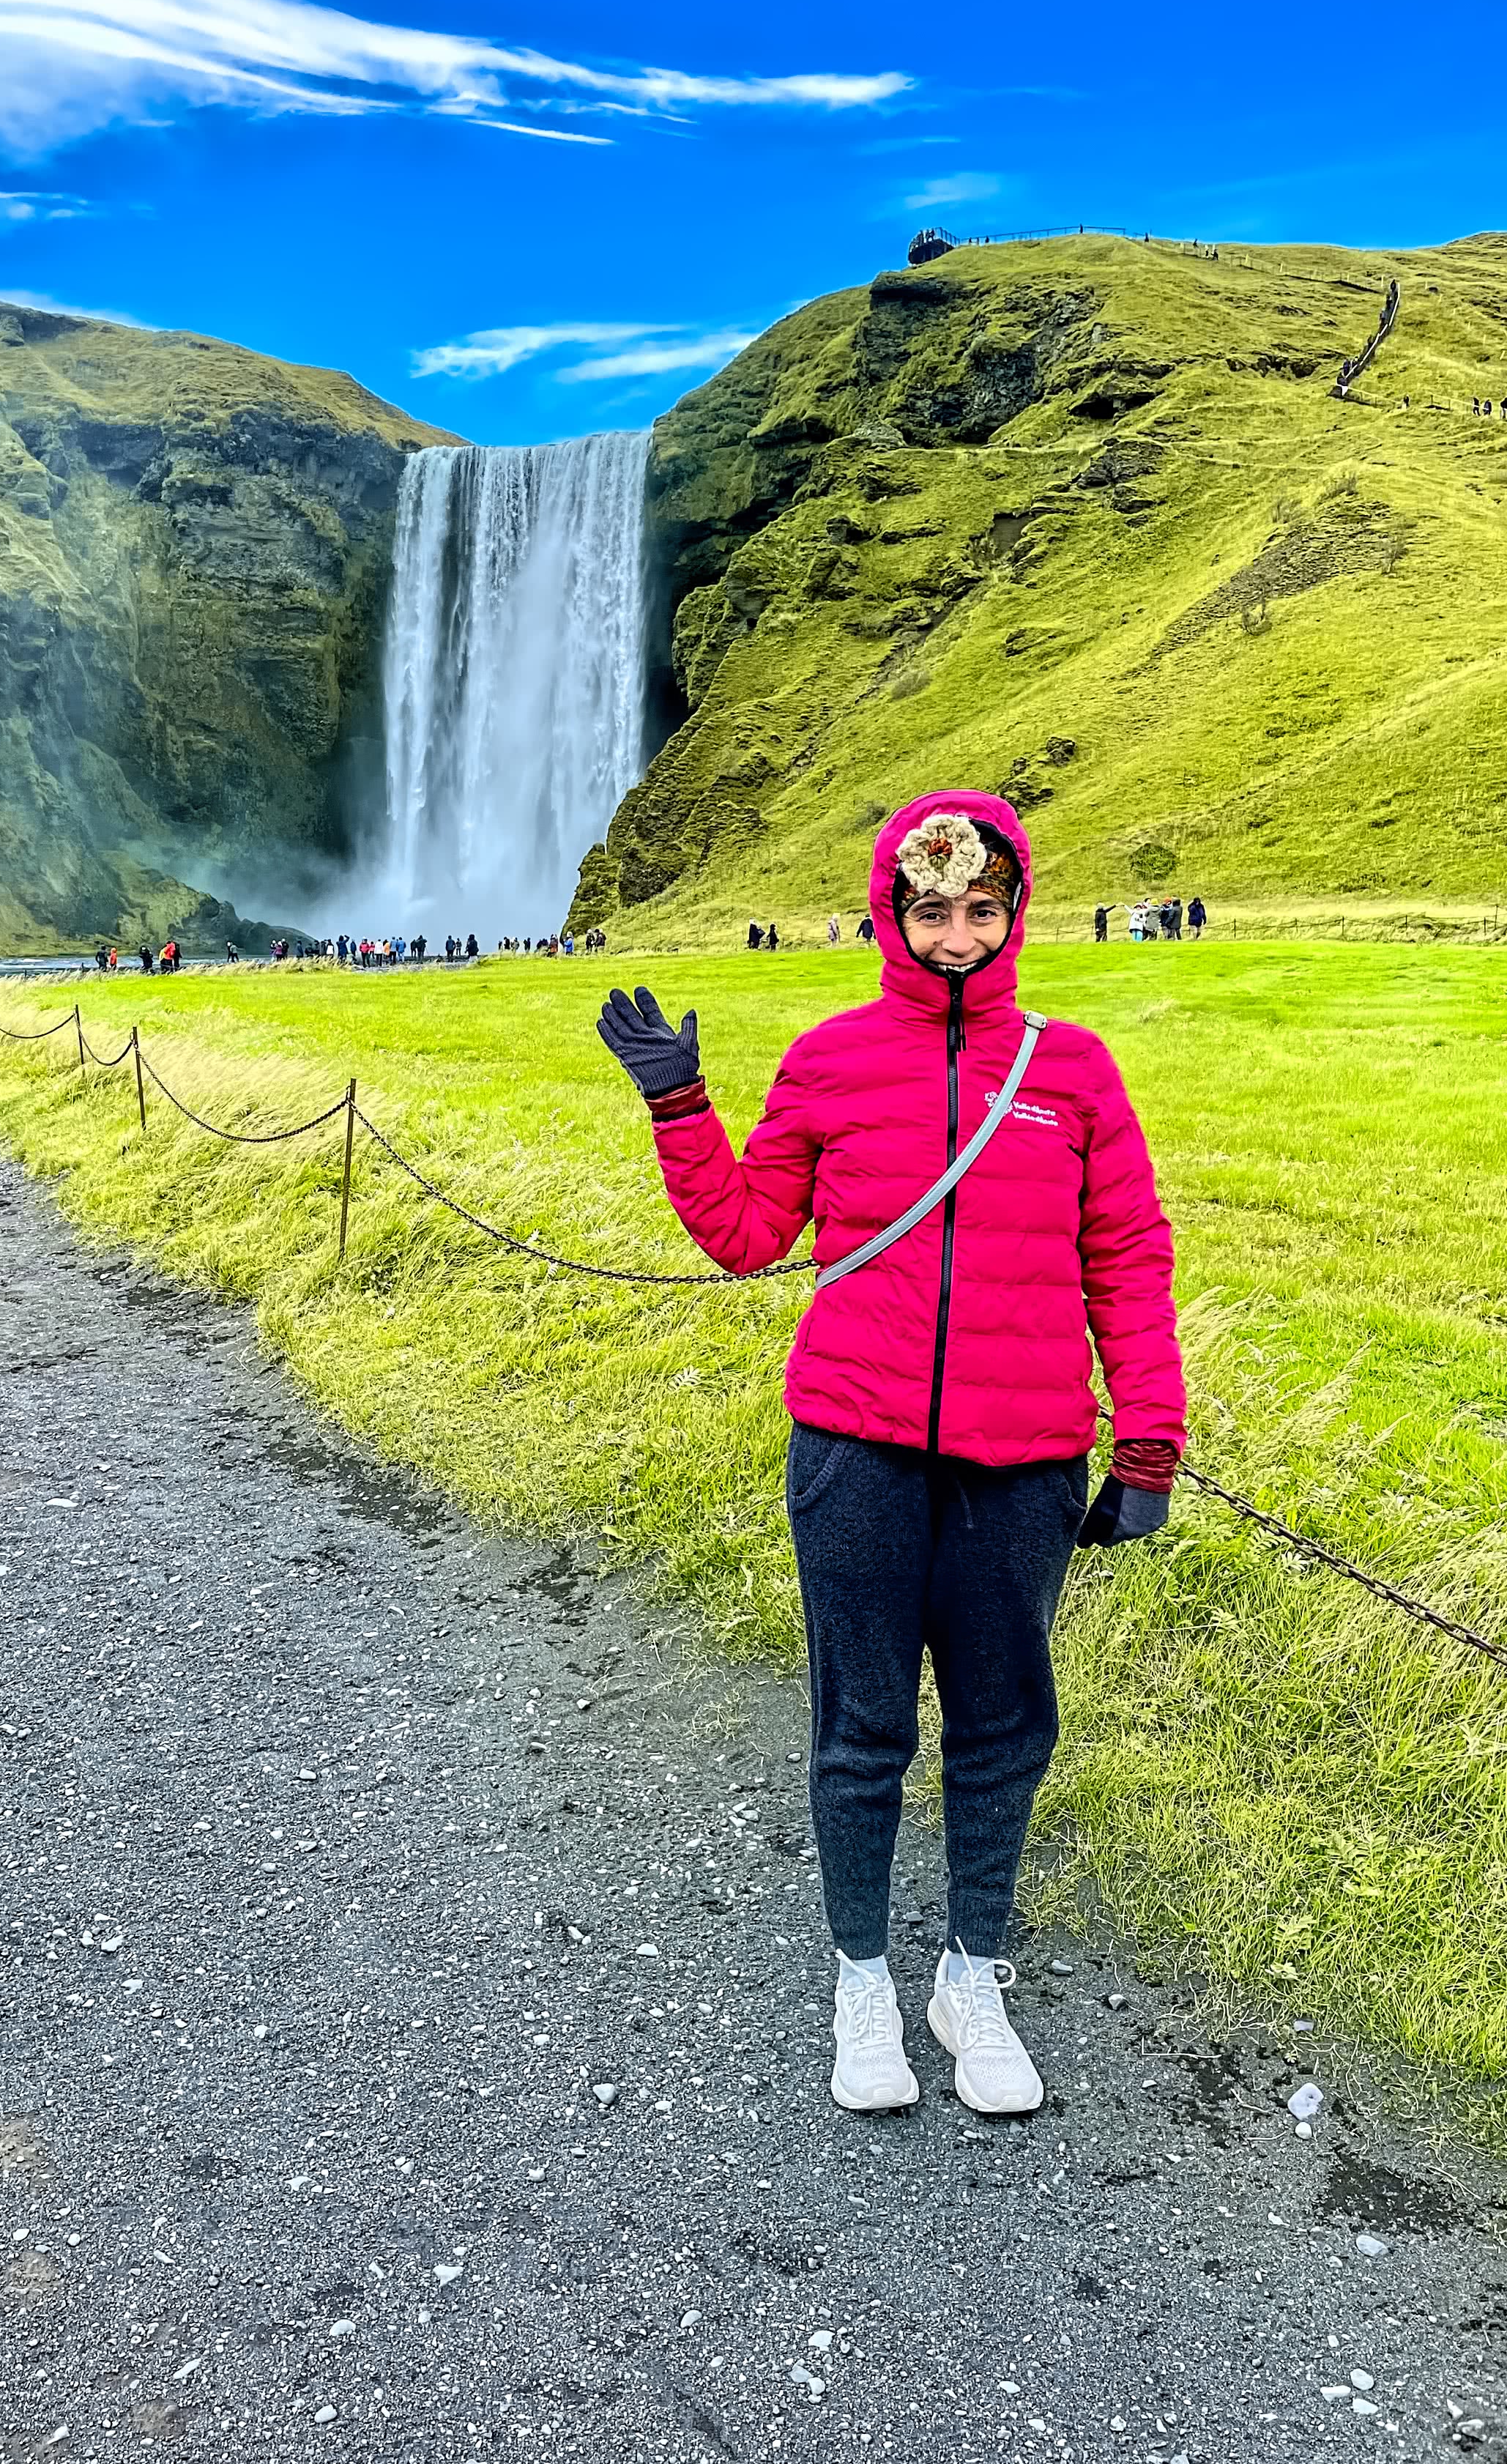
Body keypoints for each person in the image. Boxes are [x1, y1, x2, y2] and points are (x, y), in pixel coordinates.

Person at [595, 793, 1183, 2120]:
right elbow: (750, 1234)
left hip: (1024, 1461)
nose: (961, 933)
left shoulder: (1074, 1071)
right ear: (891, 915)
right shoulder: (831, 1059)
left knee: (1001, 1728)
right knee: (861, 1727)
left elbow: (1128, 1261)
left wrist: (1147, 1438)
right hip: (856, 1450)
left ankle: (970, 1977)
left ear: (1015, 914)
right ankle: (862, 1975)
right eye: (934, 910)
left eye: (985, 909)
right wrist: (680, 1106)